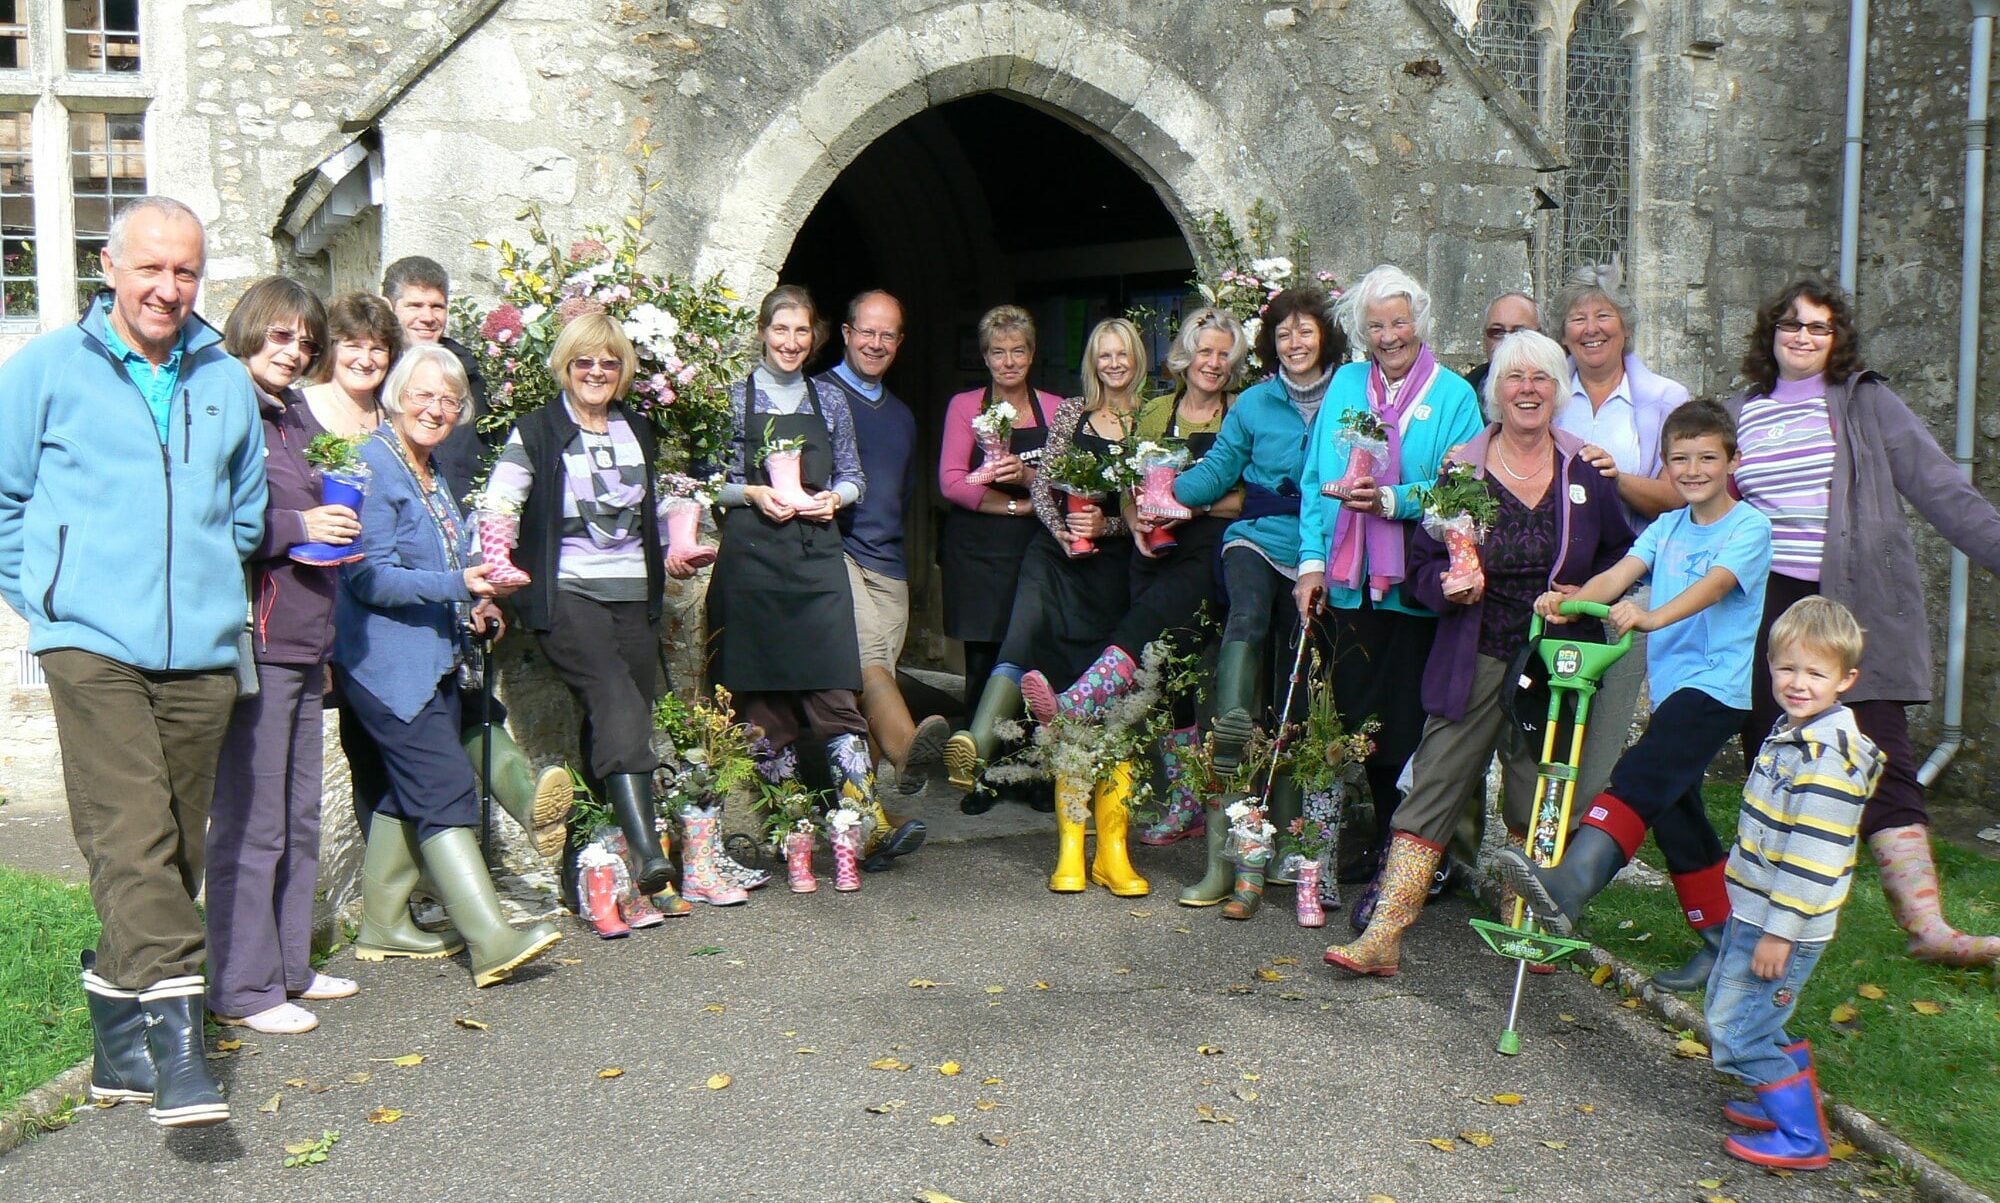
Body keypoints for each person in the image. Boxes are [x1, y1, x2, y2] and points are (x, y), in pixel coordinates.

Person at [0, 196, 266, 1127]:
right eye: (149, 268)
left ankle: (118, 1044)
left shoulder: (225, 379)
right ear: (107, 266)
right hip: (90, 643)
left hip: (197, 648)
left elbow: (245, 505)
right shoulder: (43, 369)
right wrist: (51, 600)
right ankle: (183, 1049)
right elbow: (4, 499)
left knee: (171, 849)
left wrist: (207, 580)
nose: (167, 287)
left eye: (185, 271)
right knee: (129, 836)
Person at [1321, 331, 1632, 976]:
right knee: (1435, 782)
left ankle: (1531, 928)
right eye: (1515, 379)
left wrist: (1588, 592)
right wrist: (1448, 585)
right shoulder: (1460, 470)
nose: (1527, 390)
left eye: (1541, 379)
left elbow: (1620, 555)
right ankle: (1384, 934)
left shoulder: (1584, 471)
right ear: (1496, 393)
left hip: (1557, 659)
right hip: (1476, 651)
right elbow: (1423, 563)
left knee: (1537, 794)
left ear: (1558, 391)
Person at [1727, 279, 2000, 967]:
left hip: (1853, 601)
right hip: (1765, 605)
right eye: (1791, 324)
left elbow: (1941, 487)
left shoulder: (1865, 402)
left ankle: (1928, 927)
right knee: (1774, 756)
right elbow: (1692, 499)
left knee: (1880, 754)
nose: (1803, 336)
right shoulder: (1738, 413)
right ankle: (1772, 922)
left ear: (1837, 338)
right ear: (1771, 333)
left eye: (1819, 327)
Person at [1498, 401, 1774, 989]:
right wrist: (1567, 601)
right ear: (1666, 465)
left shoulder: (1750, 526)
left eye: (1707, 458)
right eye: (1680, 459)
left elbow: (1715, 585)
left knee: (1638, 775)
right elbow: (1617, 576)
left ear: (1732, 462)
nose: (1693, 470)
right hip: (1676, 688)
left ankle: (1569, 883)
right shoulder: (1667, 526)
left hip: (1718, 689)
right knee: (1677, 810)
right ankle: (1724, 940)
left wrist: (1650, 618)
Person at [339, 344, 563, 987]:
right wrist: (458, 586)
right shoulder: (372, 466)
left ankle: (382, 926)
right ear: (396, 397)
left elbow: (451, 570)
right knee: (444, 789)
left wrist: (479, 603)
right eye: (424, 395)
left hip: (433, 658)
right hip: (385, 665)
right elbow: (369, 579)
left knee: (406, 790)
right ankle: (490, 939)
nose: (436, 409)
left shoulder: (430, 472)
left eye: (449, 400)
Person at [478, 311, 695, 929]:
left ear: (622, 369)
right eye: (584, 362)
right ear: (565, 368)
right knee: (616, 698)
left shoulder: (639, 431)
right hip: (568, 595)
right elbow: (501, 499)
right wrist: (496, 564)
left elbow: (664, 506)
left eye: (608, 362)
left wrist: (678, 545)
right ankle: (650, 855)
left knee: (617, 715)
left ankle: (602, 866)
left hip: (634, 594)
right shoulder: (538, 430)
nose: (596, 372)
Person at [707, 285, 925, 872]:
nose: (791, 342)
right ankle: (793, 835)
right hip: (753, 566)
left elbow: (854, 475)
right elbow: (706, 481)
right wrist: (750, 492)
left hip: (817, 562)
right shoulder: (734, 397)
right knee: (763, 708)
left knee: (837, 695)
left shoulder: (828, 400)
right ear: (762, 332)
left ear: (815, 337)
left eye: (802, 332)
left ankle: (859, 825)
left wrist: (835, 497)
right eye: (781, 330)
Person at [1294, 265, 1485, 927]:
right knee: (1359, 720)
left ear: (1418, 322)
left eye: (1398, 322)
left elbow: (1462, 491)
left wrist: (1395, 499)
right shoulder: (1347, 383)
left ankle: (1409, 853)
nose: (1388, 335)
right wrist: (1312, 562)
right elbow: (1316, 475)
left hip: (1415, 582)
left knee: (1408, 725)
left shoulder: (1455, 394)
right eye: (1375, 325)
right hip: (1348, 583)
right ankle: (1381, 838)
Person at [204, 278, 358, 1035]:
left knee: (298, 814)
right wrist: (301, 519)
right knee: (253, 816)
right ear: (248, 331)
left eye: (305, 341)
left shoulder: (294, 413)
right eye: (281, 335)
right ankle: (242, 986)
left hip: (303, 640)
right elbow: (211, 511)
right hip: (256, 642)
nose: (294, 351)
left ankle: (289, 966)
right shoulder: (228, 403)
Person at [1173, 287, 1347, 910]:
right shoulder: (1252, 403)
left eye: (1304, 333)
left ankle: (1281, 851)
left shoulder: (1350, 395)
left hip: (1322, 550)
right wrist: (1161, 486)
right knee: (1245, 617)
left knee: (1298, 689)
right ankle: (1229, 725)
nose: (1294, 344)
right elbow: (1217, 469)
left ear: (1324, 336)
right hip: (1256, 539)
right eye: (1282, 335)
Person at [1710, 597, 1881, 1171]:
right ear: (1770, 665)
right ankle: (1779, 1099)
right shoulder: (1793, 734)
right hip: (1760, 911)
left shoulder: (1826, 761)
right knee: (1748, 1017)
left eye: (1816, 673)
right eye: (1787, 668)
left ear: (1845, 679)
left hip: (1784, 922)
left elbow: (1812, 860)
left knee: (1736, 1030)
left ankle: (1803, 1137)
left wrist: (1780, 934)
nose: (1798, 683)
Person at [944, 319, 1143, 806]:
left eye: (1122, 354)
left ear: (1136, 359)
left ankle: (1057, 772)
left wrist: (1105, 530)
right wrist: (1061, 533)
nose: (1113, 364)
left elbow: (1149, 502)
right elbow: (1045, 483)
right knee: (1021, 637)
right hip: (1052, 555)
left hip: (1112, 564)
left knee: (1076, 664)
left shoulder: (1153, 418)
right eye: (1104, 355)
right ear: (1092, 363)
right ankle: (978, 744)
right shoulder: (1073, 412)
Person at [1553, 263, 1690, 855]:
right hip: (1561, 581)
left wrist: (1617, 476)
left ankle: (1576, 847)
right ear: (1563, 334)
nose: (1590, 328)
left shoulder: (1664, 398)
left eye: (1602, 315)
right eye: (1577, 318)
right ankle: (1542, 834)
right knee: (1552, 716)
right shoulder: (1551, 393)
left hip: (1637, 584)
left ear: (1625, 329)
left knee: (1607, 721)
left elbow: (1682, 492)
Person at [818, 290, 949, 793]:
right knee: (868, 662)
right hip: (838, 553)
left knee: (868, 690)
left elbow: (902, 494)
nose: (876, 343)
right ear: (847, 335)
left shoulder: (902, 416)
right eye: (866, 332)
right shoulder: (819, 396)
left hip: (889, 565)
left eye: (887, 334)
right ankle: (907, 747)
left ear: (899, 342)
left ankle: (864, 818)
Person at [937, 305, 1061, 805]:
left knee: (1035, 660)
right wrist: (1016, 504)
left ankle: (1034, 771)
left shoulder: (1055, 407)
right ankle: (981, 774)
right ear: (984, 357)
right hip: (979, 549)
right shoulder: (965, 405)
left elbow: (1066, 479)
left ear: (1031, 355)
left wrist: (1032, 484)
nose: (1008, 362)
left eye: (1017, 351)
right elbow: (950, 482)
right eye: (997, 352)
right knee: (986, 658)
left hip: (1038, 551)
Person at [383, 255, 491, 506]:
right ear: (389, 308)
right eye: (415, 305)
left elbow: (471, 459)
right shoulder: (372, 370)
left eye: (437, 306)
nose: (428, 317)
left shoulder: (468, 374)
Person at [1463, 291, 1540, 396]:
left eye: (1519, 332)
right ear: (1484, 341)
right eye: (1497, 332)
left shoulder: (1564, 397)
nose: (1507, 340)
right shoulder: (1459, 397)